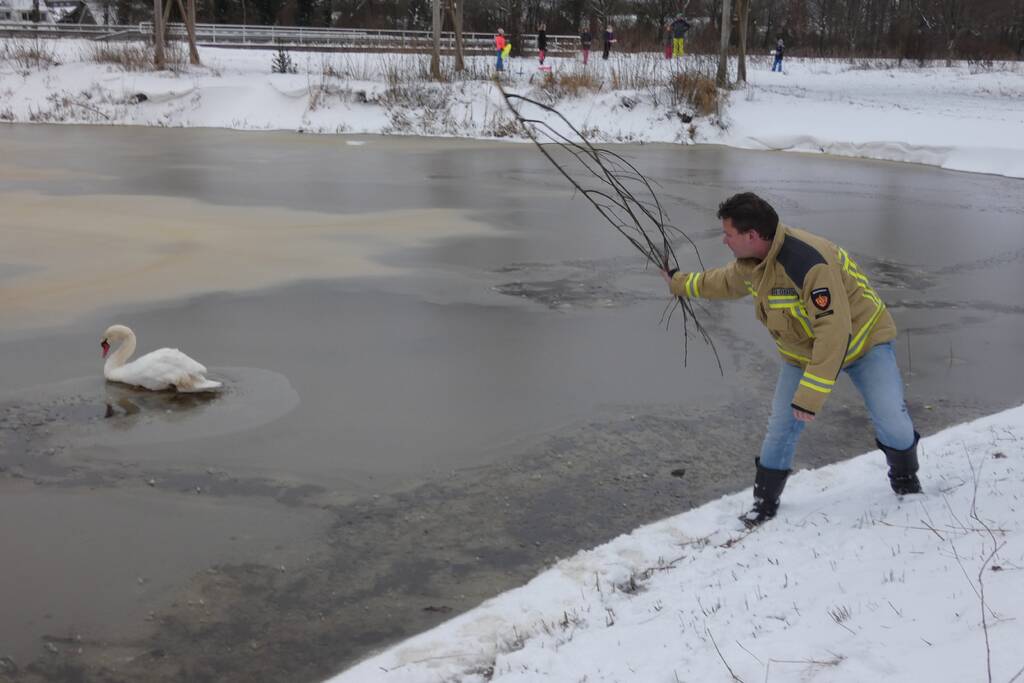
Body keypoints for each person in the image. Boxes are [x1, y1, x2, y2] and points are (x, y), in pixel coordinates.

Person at [659, 192, 922, 528]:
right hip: (803, 353)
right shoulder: (752, 264)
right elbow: (723, 282)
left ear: (752, 236)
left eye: (728, 234)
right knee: (781, 427)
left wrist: (810, 397)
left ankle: (905, 481)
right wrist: (679, 284)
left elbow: (834, 331)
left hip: (864, 344)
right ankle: (764, 502)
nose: (724, 241)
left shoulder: (807, 262)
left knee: (891, 419)